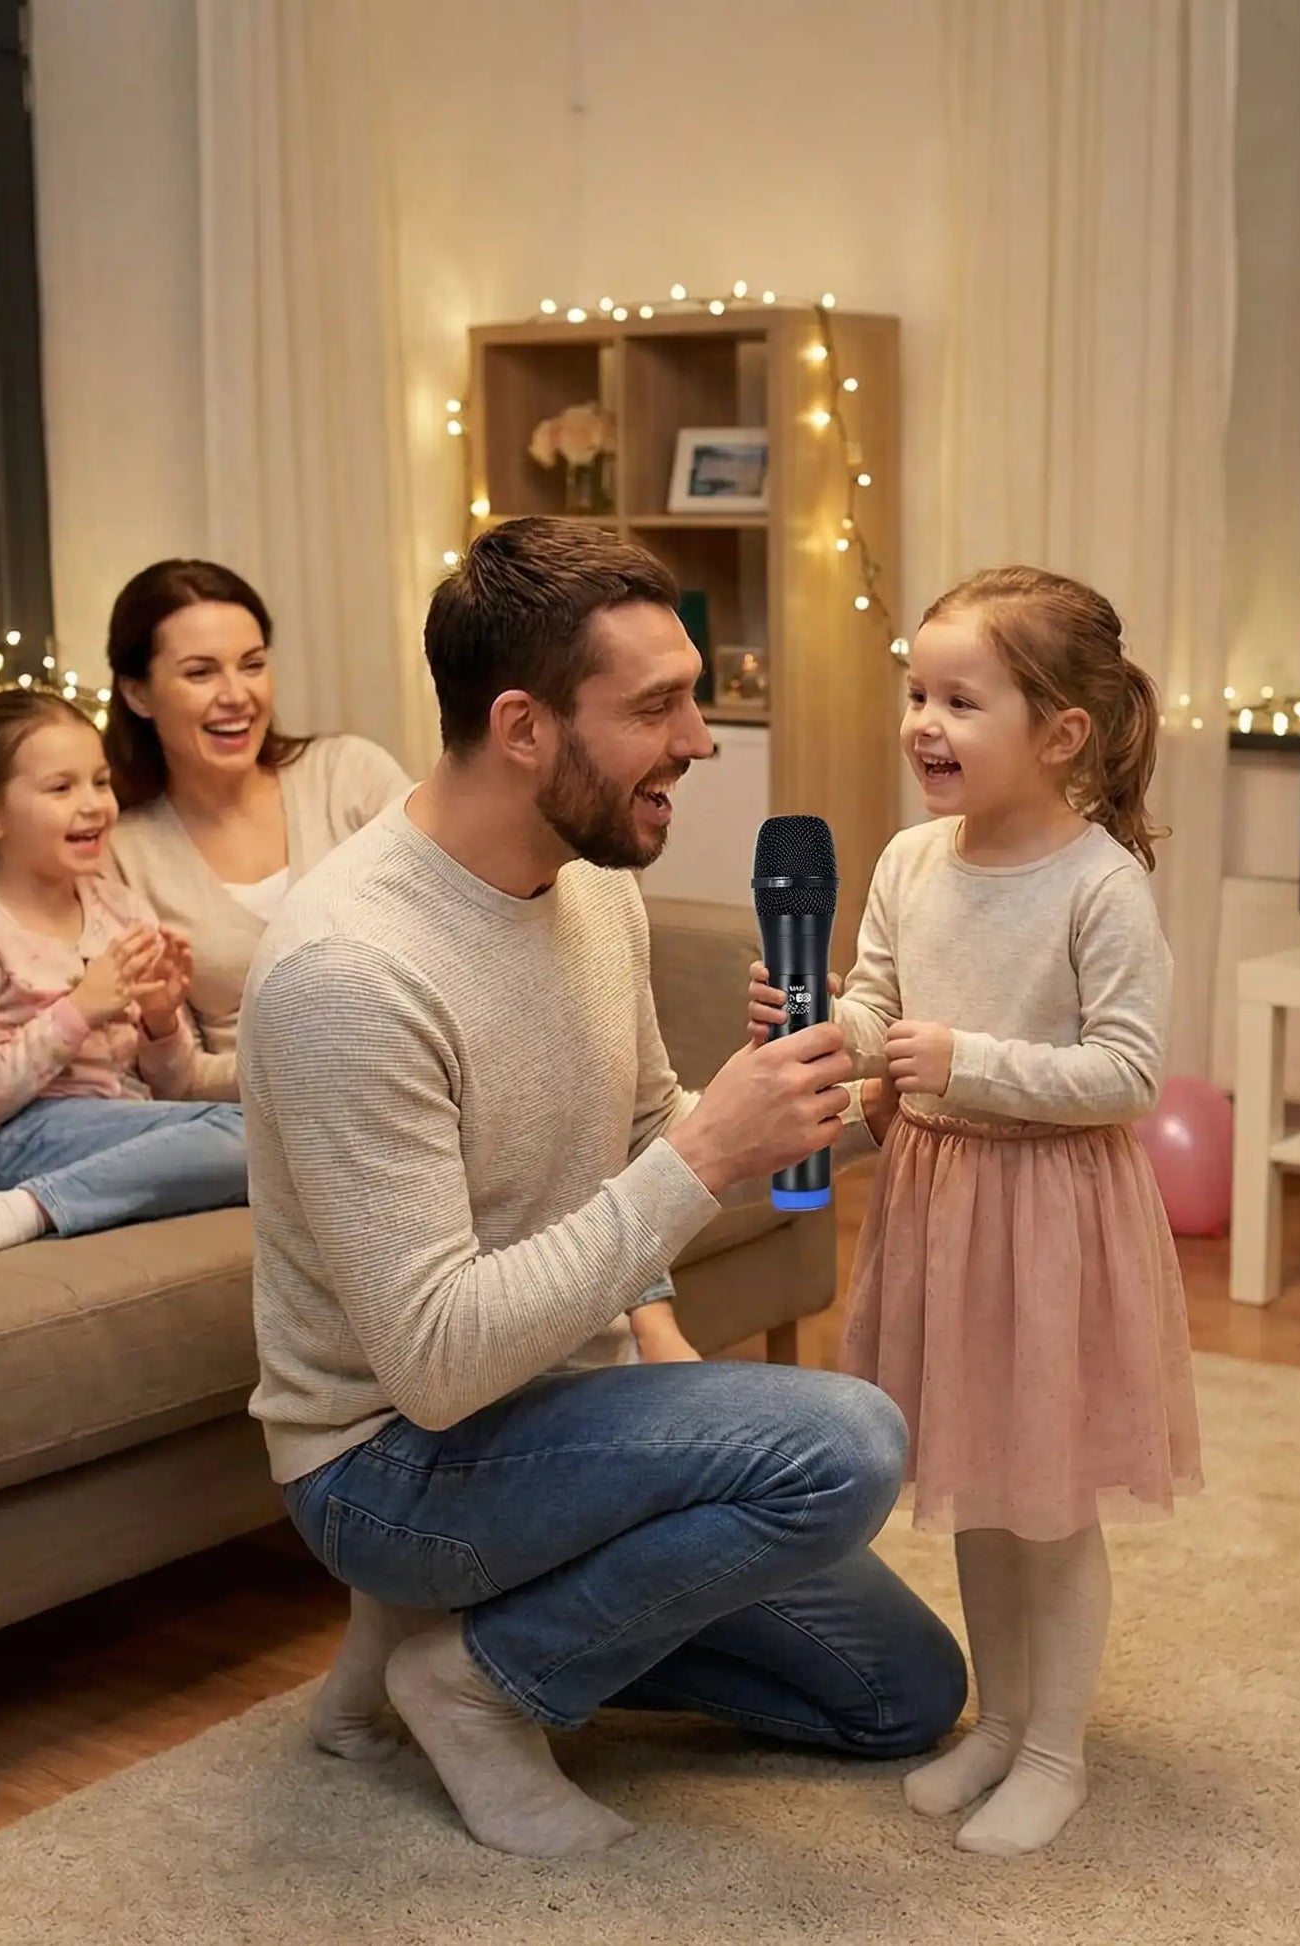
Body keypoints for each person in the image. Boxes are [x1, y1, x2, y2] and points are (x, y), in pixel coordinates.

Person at [240, 516, 965, 1859]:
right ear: (522, 727)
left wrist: (841, 1116)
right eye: (658, 706)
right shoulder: (349, 972)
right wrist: (702, 1157)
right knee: (845, 1441)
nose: (696, 739)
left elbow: (644, 1131)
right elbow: (439, 1361)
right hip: (392, 1460)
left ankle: (462, 1625)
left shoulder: (588, 888)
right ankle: (472, 1678)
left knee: (903, 1696)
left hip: (561, 1412)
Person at [751, 563, 1202, 1857]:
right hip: (938, 1201)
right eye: (916, 693)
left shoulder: (1099, 884)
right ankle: (1000, 1725)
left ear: (1060, 733)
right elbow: (878, 1007)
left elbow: (1125, 1073)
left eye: (960, 699)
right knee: (978, 1482)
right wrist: (819, 1023)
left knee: (1048, 1498)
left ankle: (1056, 1748)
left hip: (1052, 1220)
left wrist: (970, 1063)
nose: (923, 724)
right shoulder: (905, 859)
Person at [0, 689, 246, 1273]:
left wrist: (162, 1021)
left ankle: (48, 1203)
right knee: (255, 1136)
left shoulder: (121, 910)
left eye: (100, 782)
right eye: (61, 789)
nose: (93, 805)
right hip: (10, 1143)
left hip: (122, 1126)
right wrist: (77, 1012)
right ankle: (24, 1210)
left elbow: (174, 1088)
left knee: (272, 1133)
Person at [103, 559, 411, 1097]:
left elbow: (456, 930)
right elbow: (178, 1077)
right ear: (138, 695)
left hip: (411, 1069)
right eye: (200, 673)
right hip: (249, 1125)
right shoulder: (123, 854)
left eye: (251, 664)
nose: (236, 695)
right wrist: (311, 1072)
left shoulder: (350, 776)